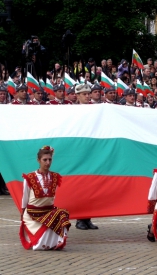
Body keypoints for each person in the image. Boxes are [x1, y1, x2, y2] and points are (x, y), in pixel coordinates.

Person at [20, 146, 71, 250]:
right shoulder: (30, 177)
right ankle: (44, 242)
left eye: (50, 159)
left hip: (47, 211)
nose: (48, 162)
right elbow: (25, 197)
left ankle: (56, 242)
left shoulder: (55, 177)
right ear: (38, 160)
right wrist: (23, 212)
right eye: (45, 160)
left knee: (62, 213)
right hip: (33, 213)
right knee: (39, 244)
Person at [75, 84, 99, 229]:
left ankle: (87, 218)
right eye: (84, 94)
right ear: (77, 96)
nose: (87, 96)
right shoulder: (73, 111)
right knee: (81, 186)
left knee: (91, 187)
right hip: (79, 151)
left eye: (88, 94)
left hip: (91, 150)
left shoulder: (95, 110)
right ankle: (79, 219)